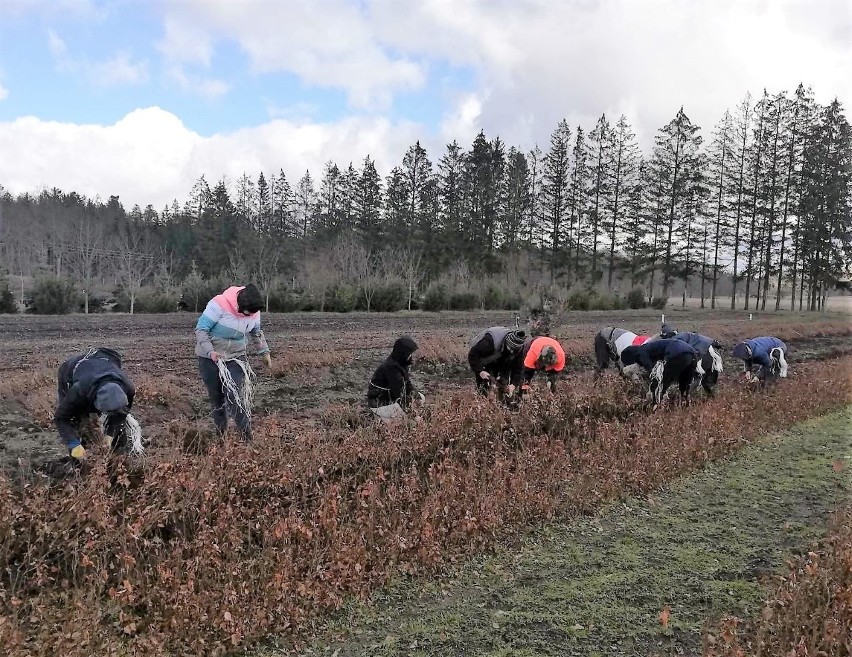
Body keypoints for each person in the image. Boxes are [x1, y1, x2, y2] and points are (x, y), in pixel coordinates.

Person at [195, 283, 273, 441]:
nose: (249, 316)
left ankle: (247, 438)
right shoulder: (218, 304)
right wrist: (211, 352)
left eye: (252, 314)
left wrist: (264, 352)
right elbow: (201, 329)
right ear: (239, 304)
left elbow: (256, 332)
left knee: (234, 396)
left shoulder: (254, 311)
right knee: (217, 400)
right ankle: (220, 437)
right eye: (246, 313)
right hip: (210, 359)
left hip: (236, 358)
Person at [54, 347, 139, 461]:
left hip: (100, 364)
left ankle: (118, 458)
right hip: (70, 372)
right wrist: (73, 444)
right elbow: (61, 418)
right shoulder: (79, 391)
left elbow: (121, 415)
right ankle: (79, 465)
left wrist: (110, 436)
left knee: (118, 427)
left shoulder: (128, 389)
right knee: (78, 423)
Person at [621, 338, 700, 409]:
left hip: (677, 354)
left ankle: (659, 405)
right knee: (684, 384)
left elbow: (652, 371)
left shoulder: (641, 353)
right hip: (692, 354)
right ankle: (686, 405)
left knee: (663, 384)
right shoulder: (647, 347)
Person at [367, 336, 423, 421]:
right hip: (380, 403)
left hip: (390, 397)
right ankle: (383, 419)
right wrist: (413, 415)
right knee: (408, 419)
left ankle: (392, 417)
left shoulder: (399, 363)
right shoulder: (392, 369)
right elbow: (400, 395)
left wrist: (416, 396)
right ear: (403, 353)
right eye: (410, 354)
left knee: (421, 398)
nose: (412, 356)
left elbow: (407, 384)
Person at [658, 324, 724, 396]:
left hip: (702, 354)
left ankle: (689, 395)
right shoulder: (682, 335)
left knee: (696, 375)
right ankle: (710, 396)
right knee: (706, 377)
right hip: (708, 352)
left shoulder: (674, 340)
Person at [468, 327, 527, 399]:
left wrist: (514, 384)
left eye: (514, 351)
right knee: (484, 383)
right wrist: (480, 371)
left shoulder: (519, 348)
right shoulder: (489, 343)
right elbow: (473, 354)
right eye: (510, 349)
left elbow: (519, 368)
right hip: (484, 356)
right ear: (506, 343)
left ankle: (502, 400)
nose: (512, 352)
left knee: (503, 381)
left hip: (501, 356)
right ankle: (482, 399)